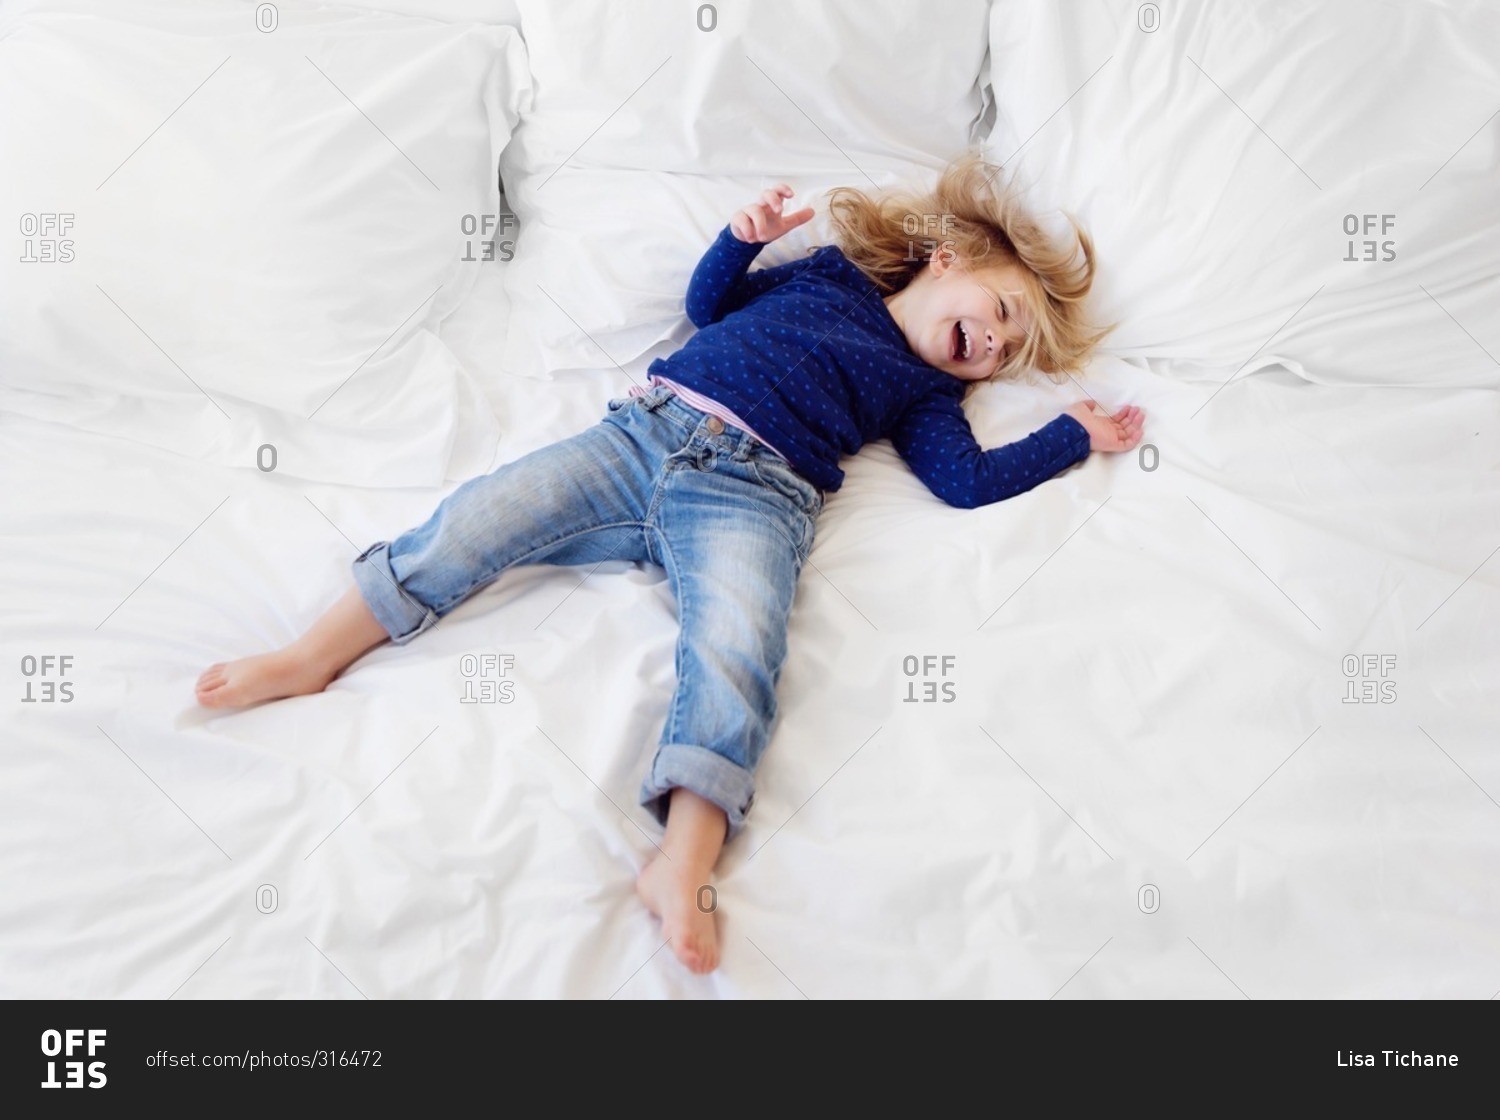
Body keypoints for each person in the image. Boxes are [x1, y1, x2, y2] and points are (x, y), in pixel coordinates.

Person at [196, 155, 1145, 974]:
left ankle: (682, 858)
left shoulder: (926, 392)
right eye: (1005, 312)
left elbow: (966, 482)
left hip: (755, 497)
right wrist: (740, 239)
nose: (998, 343)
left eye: (1010, 352)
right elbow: (708, 308)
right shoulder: (829, 277)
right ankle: (313, 654)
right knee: (483, 517)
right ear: (948, 261)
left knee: (738, 645)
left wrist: (1070, 434)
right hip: (641, 438)